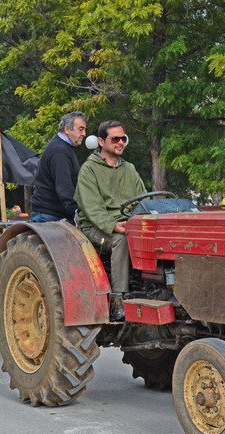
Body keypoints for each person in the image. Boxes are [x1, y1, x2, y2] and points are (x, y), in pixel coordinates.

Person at [74, 120, 146, 321]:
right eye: (115, 139)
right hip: (96, 226)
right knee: (120, 241)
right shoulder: (89, 170)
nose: (121, 142)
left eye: (123, 138)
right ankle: (118, 298)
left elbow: (143, 198)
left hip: (127, 222)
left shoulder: (129, 169)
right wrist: (112, 225)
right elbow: (91, 208)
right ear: (101, 141)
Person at [31, 111, 88, 223]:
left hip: (51, 213)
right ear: (67, 129)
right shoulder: (59, 151)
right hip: (50, 216)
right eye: (80, 129)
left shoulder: (63, 147)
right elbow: (64, 187)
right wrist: (77, 213)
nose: (84, 133)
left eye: (85, 130)